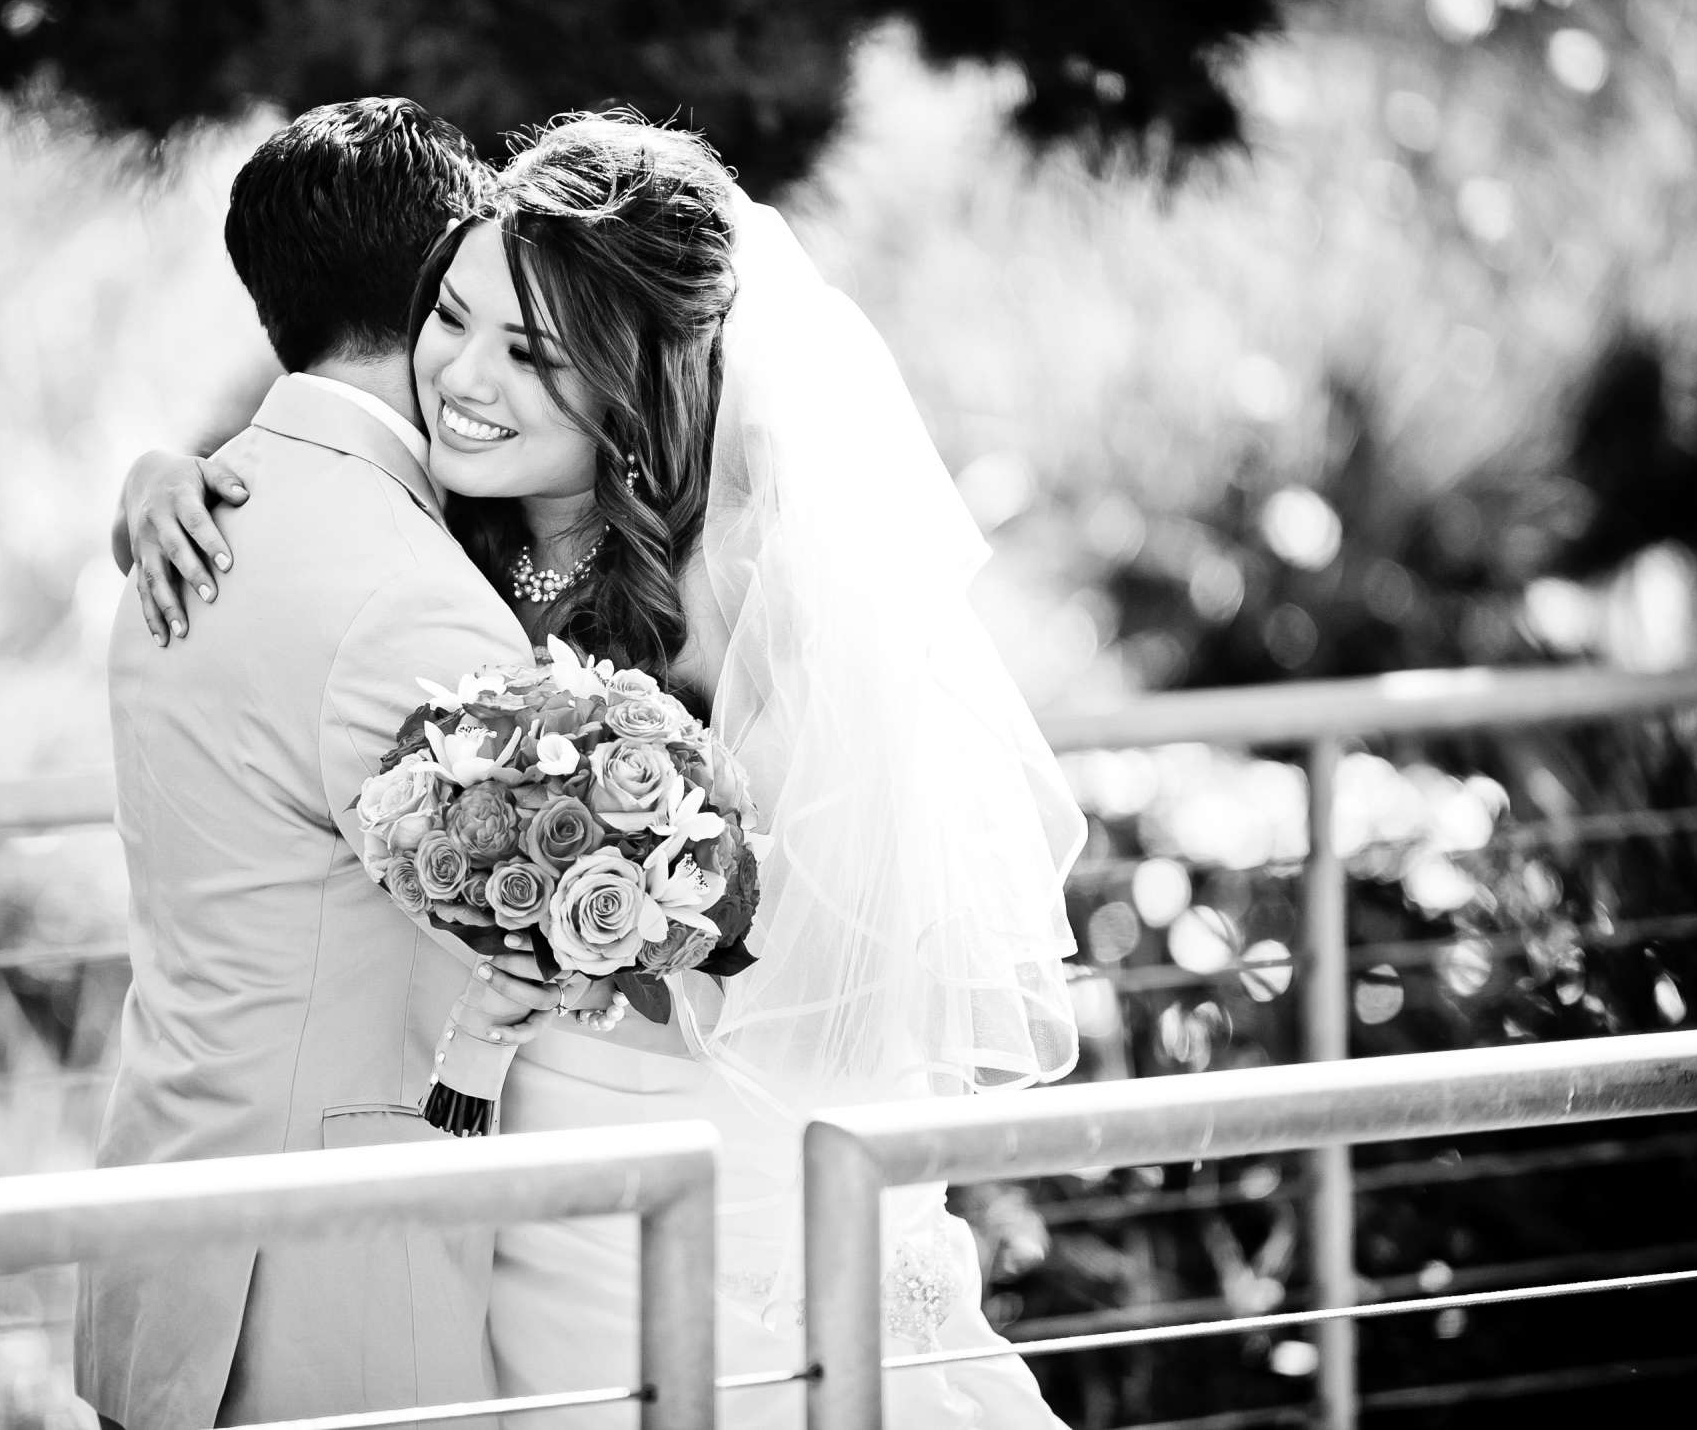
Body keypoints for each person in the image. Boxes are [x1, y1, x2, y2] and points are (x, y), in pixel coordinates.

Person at [117, 113, 1082, 1425]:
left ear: (629, 386)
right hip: (503, 1209)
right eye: (447, 318)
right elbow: (316, 538)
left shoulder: (732, 609)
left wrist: (614, 938)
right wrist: (166, 480)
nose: (458, 373)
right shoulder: (458, 536)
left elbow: (834, 956)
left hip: (670, 1174)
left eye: (530, 354)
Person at [74, 97, 565, 1430]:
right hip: (320, 1286)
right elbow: (542, 934)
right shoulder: (408, 594)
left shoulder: (189, 524)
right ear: (438, 285)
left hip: (168, 1220)